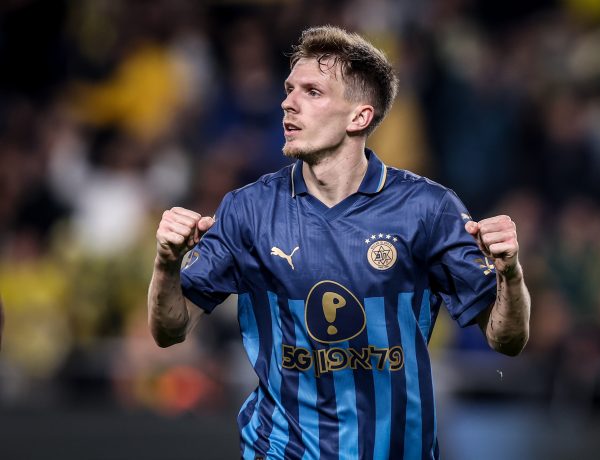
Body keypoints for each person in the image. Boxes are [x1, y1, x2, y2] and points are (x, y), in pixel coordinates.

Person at [148, 26, 530, 460]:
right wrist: (166, 264)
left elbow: (507, 339)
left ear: (359, 118)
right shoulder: (248, 210)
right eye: (289, 89)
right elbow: (170, 329)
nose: (288, 103)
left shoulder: (428, 210)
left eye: (312, 92)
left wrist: (510, 274)